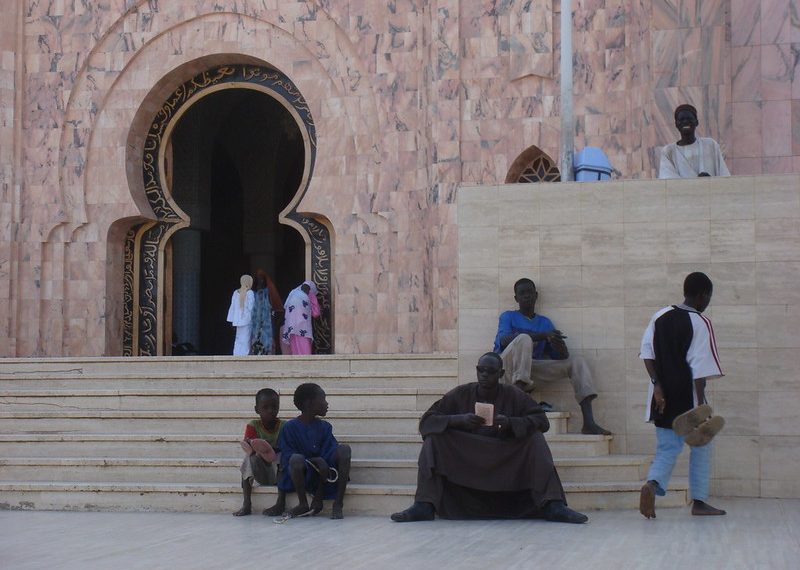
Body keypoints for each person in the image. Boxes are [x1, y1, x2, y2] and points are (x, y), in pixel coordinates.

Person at [390, 352, 588, 523]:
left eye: (490, 372)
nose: (484, 375)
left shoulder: (513, 394)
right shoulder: (461, 393)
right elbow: (427, 422)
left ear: (500, 374)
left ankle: (553, 504)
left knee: (535, 440)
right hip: (467, 455)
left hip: (505, 455)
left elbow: (541, 421)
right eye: (480, 370)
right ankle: (424, 504)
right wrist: (459, 420)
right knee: (434, 440)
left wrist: (511, 423)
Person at [638, 272, 726, 519]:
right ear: (703, 296)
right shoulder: (700, 322)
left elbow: (647, 353)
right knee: (702, 446)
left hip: (661, 394)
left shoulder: (660, 315)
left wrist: (656, 386)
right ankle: (699, 502)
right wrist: (702, 404)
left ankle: (652, 485)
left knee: (667, 448)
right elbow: (700, 366)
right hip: (688, 396)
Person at [494, 278, 610, 435]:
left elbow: (560, 357)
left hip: (531, 370)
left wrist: (558, 345)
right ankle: (518, 402)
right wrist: (541, 336)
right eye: (522, 293)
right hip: (506, 369)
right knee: (523, 338)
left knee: (577, 362)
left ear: (536, 295)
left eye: (530, 293)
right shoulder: (508, 316)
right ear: (516, 298)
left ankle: (589, 422)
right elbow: (504, 339)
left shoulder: (545, 322)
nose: (526, 296)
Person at [277, 383, 351, 519]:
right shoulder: (289, 427)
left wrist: (319, 495)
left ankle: (338, 503)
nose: (327, 403)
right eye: (323, 399)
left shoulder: (325, 427)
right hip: (301, 474)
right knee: (296, 459)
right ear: (308, 403)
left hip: (323, 476)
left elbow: (327, 460)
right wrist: (313, 460)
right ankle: (302, 503)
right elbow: (288, 457)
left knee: (344, 449)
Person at [233, 388, 286, 516]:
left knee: (283, 456)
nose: (270, 411)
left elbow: (284, 447)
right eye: (265, 407)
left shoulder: (284, 425)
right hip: (261, 471)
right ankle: (247, 503)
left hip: (278, 473)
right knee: (248, 458)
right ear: (257, 409)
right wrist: (253, 448)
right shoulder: (253, 425)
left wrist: (270, 451)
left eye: (274, 407)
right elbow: (249, 445)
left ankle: (281, 501)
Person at [658, 104, 730, 179]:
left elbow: (724, 176)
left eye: (689, 119)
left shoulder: (710, 145)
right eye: (681, 119)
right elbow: (667, 180)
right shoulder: (668, 151)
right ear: (676, 124)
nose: (685, 121)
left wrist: (710, 182)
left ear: (696, 122)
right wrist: (695, 184)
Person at [280, 280, 321, 355]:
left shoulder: (293, 293)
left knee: (296, 353)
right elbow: (316, 313)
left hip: (291, 328)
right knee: (305, 353)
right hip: (303, 330)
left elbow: (286, 308)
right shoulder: (310, 294)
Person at [226, 274, 255, 356]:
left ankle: (236, 354)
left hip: (237, 320)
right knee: (245, 339)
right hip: (247, 320)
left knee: (238, 338)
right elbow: (251, 307)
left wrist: (231, 320)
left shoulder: (236, 292)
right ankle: (244, 355)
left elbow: (232, 307)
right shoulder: (250, 293)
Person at [250, 270, 274, 355]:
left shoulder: (268, 292)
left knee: (266, 339)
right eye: (258, 279)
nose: (260, 281)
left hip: (266, 320)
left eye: (262, 279)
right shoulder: (251, 294)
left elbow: (272, 305)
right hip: (255, 321)